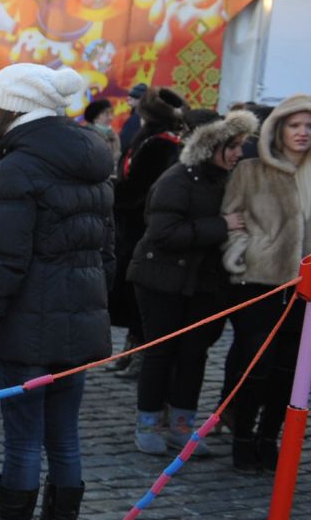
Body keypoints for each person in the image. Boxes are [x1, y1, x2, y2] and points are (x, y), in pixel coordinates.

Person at [0, 64, 114, 520]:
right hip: (80, 320)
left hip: (29, 327)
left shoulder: (21, 165)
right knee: (64, 439)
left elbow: (7, 261)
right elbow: (107, 252)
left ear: (11, 110)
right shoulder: (91, 156)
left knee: (24, 442)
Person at [127, 112, 255, 455]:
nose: (238, 153)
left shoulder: (226, 180)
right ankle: (149, 424)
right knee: (161, 352)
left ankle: (182, 428)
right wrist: (221, 225)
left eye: (241, 146)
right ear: (212, 146)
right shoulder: (176, 179)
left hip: (202, 283)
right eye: (232, 146)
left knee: (193, 355)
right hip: (161, 280)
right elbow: (164, 234)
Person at [220, 96, 311, 471]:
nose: (303, 132)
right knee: (255, 364)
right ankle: (242, 436)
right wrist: (243, 254)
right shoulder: (250, 170)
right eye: (295, 125)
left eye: (309, 126)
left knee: (290, 373)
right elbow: (232, 216)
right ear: (279, 129)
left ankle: (270, 437)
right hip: (260, 283)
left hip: (305, 289)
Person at [109, 88, 188, 374]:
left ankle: (140, 352)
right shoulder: (147, 141)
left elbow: (141, 188)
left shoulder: (162, 145)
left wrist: (114, 193)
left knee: (138, 296)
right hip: (130, 227)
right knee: (130, 294)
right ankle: (130, 349)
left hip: (143, 228)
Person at [83, 96, 121, 165]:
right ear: (95, 118)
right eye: (106, 114)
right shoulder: (88, 136)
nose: (111, 118)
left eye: (111, 113)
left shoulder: (114, 135)